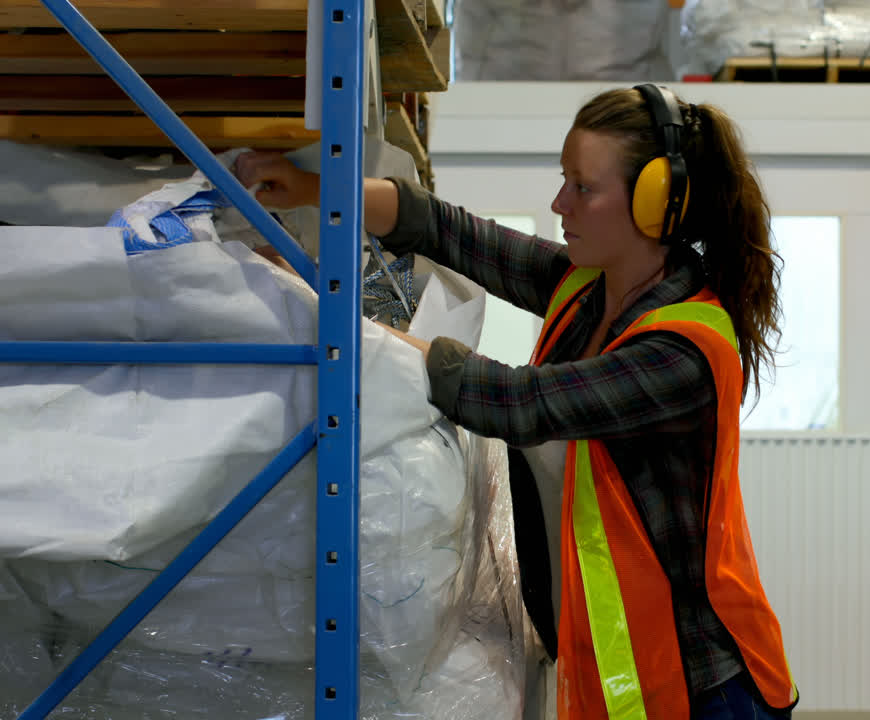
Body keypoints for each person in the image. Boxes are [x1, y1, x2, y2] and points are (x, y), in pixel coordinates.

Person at [233, 83, 798, 720]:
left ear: (656, 204)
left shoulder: (682, 352)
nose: (560, 204)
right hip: (618, 668)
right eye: (564, 180)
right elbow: (451, 233)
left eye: (583, 188)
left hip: (701, 684)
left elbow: (517, 403)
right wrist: (312, 190)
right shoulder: (587, 289)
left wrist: (331, 313)